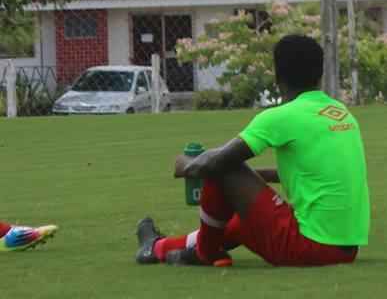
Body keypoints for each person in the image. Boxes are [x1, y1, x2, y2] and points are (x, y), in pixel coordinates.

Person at [134, 34, 370, 266]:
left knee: (224, 169)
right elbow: (317, 172)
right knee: (238, 223)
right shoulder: (340, 112)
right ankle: (157, 247)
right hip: (345, 250)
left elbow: (215, 164)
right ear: (320, 74)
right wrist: (257, 177)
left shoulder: (281, 116)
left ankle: (204, 252)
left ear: (278, 76)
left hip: (309, 246)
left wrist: (185, 164)